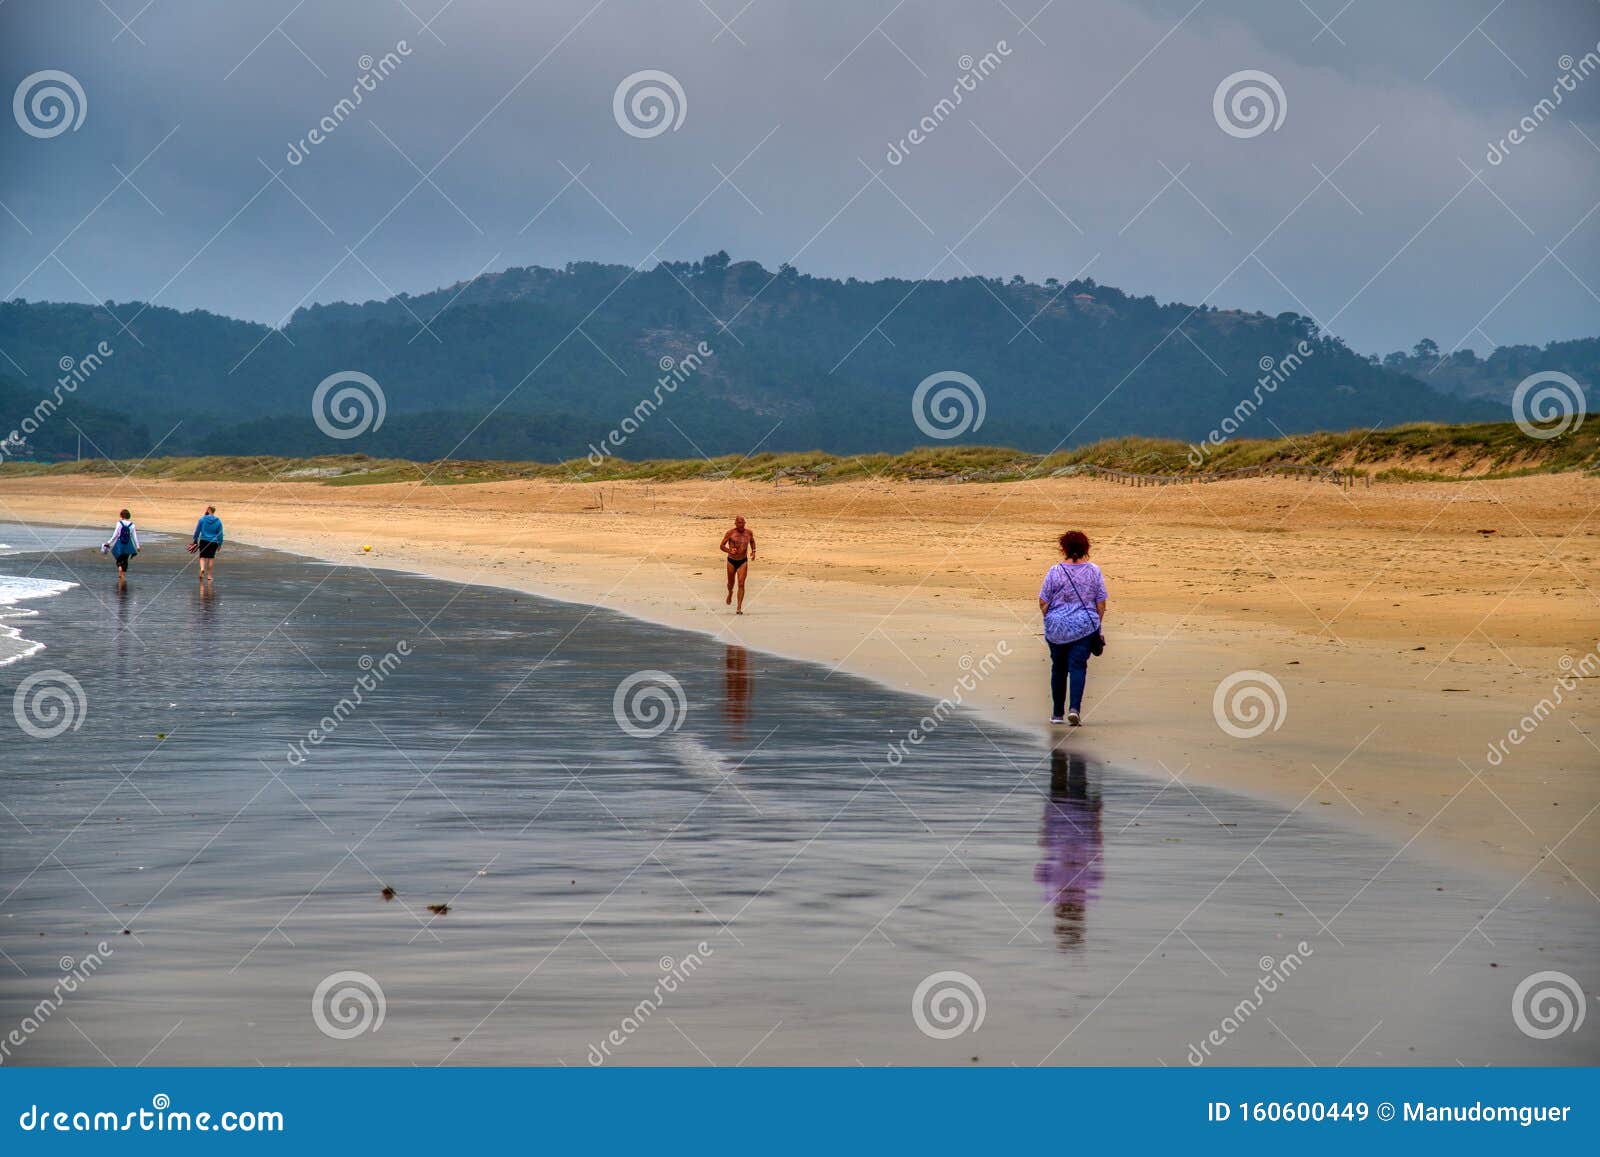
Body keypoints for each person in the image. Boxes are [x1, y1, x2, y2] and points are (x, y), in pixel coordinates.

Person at [1037, 529, 1107, 726]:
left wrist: (1052, 617)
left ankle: (1057, 714)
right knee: (1078, 667)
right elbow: (1101, 604)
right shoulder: (1094, 571)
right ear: (1086, 549)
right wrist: (1095, 626)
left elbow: (1043, 601)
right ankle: (1074, 709)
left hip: (1056, 627)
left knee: (1058, 668)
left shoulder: (1055, 571)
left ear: (1063, 548)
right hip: (1085, 625)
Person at [719, 516, 756, 614]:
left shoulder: (749, 533)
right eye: (739, 523)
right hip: (731, 561)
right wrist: (729, 550)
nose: (741, 524)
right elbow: (721, 546)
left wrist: (754, 551)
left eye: (743, 522)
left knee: (741, 583)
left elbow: (752, 541)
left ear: (745, 523)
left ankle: (739, 608)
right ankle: (730, 592)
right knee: (731, 584)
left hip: (743, 561)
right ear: (735, 523)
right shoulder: (730, 533)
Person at [103, 508, 139, 588]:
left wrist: (109, 542)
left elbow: (115, 535)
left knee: (118, 558)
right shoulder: (132, 525)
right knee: (125, 560)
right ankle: (122, 576)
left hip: (120, 543)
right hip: (128, 544)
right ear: (129, 516)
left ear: (121, 515)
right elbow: (134, 536)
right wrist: (138, 546)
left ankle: (119, 569)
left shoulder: (119, 523)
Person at [190, 504, 224, 581]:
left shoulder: (202, 519)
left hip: (203, 540)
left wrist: (195, 540)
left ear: (208, 510)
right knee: (211, 558)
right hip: (214, 542)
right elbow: (220, 534)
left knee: (202, 557)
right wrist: (220, 544)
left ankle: (202, 569)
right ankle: (209, 575)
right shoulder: (218, 521)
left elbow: (197, 531)